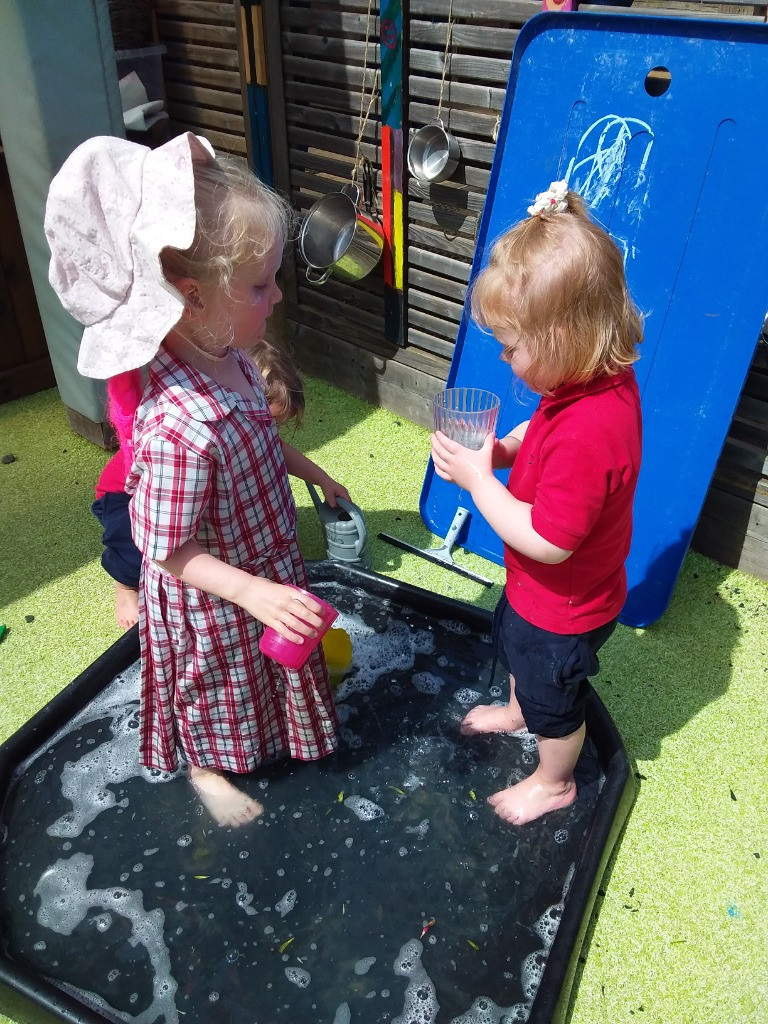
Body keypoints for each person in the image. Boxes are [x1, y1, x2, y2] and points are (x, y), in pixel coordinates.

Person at [45, 132, 349, 828]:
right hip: (212, 598)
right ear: (190, 297)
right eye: (259, 284)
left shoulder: (233, 358)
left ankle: (267, 739)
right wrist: (252, 592)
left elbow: (261, 441)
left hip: (255, 571)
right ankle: (206, 769)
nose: (276, 297)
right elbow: (165, 549)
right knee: (215, 687)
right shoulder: (179, 426)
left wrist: (313, 470)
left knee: (257, 675)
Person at [430, 180, 643, 827]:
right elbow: (542, 432)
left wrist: (478, 481)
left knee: (558, 701)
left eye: (512, 344)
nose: (504, 357)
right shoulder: (590, 381)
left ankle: (553, 780)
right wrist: (503, 452)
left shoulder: (592, 426)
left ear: (566, 337)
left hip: (564, 605)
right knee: (521, 655)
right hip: (542, 596)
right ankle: (521, 710)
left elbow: (551, 539)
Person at [92, 341, 308, 631]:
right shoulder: (184, 436)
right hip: (124, 495)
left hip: (188, 489)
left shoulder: (247, 417)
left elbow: (279, 449)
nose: (268, 429)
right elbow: (161, 543)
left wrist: (325, 481)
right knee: (134, 550)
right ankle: (125, 589)